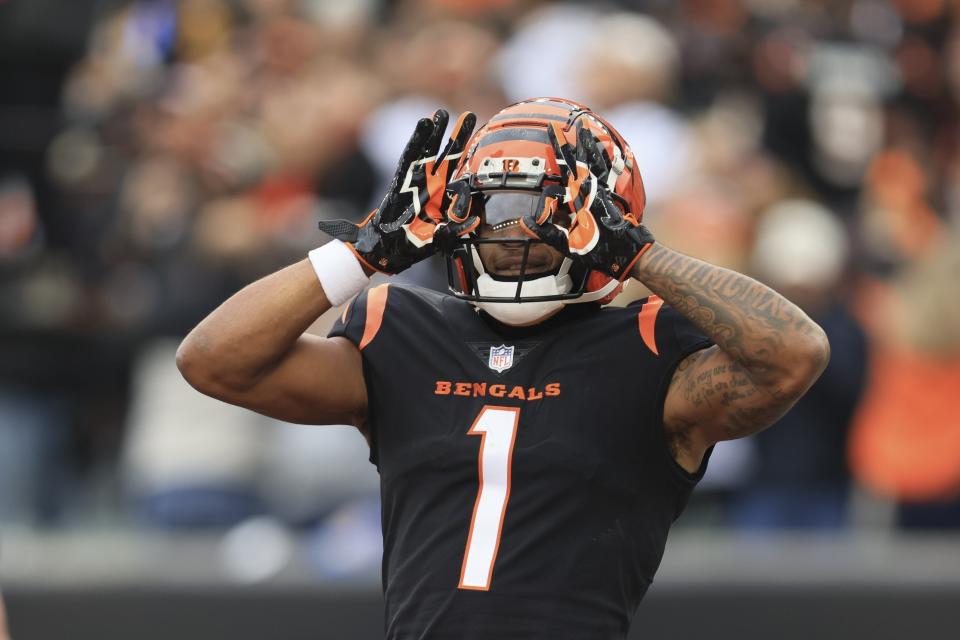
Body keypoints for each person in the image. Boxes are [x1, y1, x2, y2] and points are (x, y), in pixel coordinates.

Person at [177, 98, 830, 639]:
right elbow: (213, 362)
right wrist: (362, 250)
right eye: (491, 208)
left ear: (604, 212)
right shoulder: (400, 329)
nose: (512, 233)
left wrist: (639, 254)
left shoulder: (649, 345)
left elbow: (794, 354)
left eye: (539, 210)